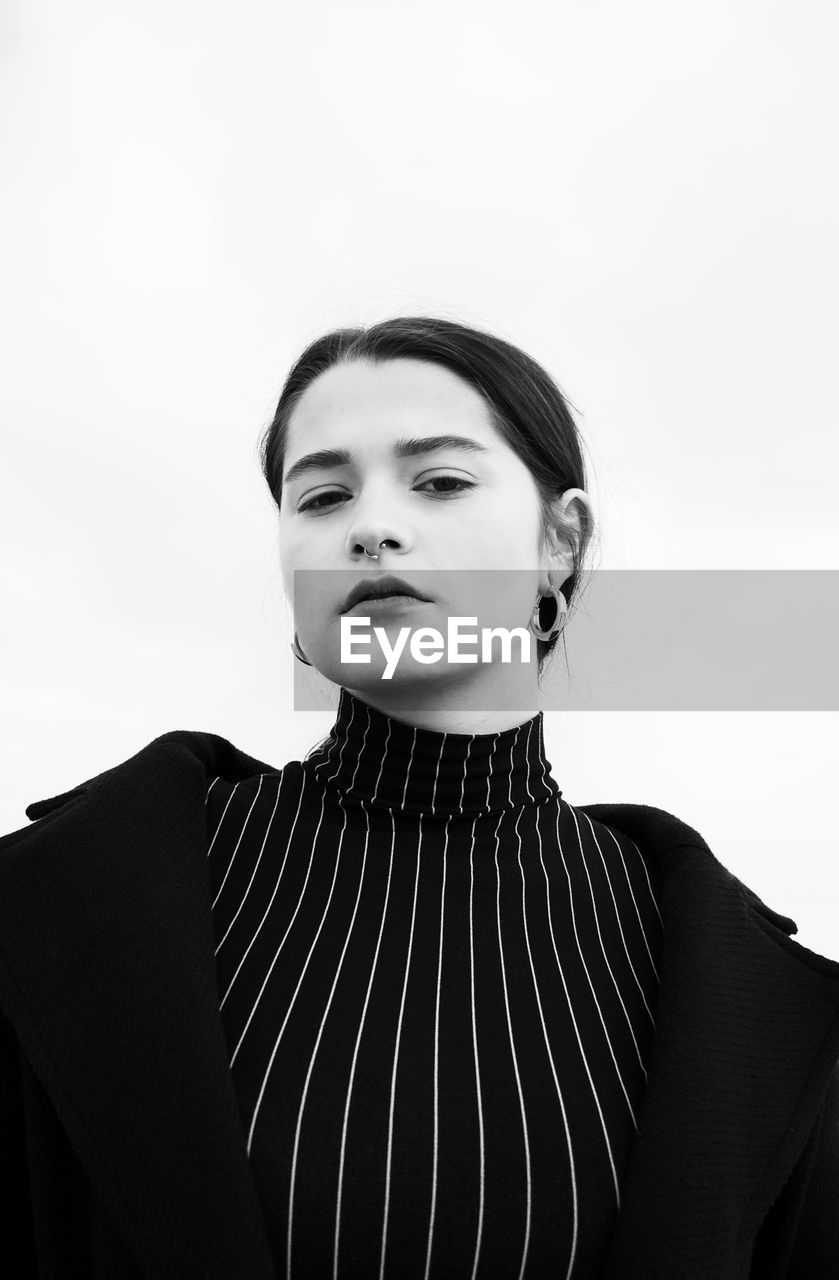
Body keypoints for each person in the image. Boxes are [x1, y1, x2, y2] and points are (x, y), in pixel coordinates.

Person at [1, 316, 837, 1279]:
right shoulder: (68, 907)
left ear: (558, 542)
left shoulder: (728, 980)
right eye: (319, 496)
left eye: (439, 481)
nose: (369, 525)